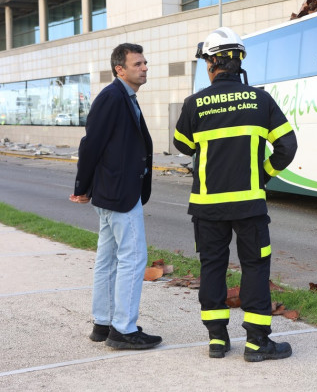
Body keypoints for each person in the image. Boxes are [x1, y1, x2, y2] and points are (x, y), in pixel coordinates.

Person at [173, 27, 297, 362]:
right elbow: (288, 146)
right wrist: (263, 175)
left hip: (207, 207)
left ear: (213, 63)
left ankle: (217, 341)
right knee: (255, 268)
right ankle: (257, 343)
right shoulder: (261, 100)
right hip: (249, 204)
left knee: (212, 267)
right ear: (238, 60)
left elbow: (182, 145)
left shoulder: (194, 104)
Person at [69, 43, 161, 350]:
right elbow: (90, 144)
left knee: (108, 259)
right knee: (134, 258)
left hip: (113, 192)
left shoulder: (125, 97)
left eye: (145, 62)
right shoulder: (112, 97)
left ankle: (103, 323)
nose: (145, 67)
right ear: (119, 69)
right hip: (119, 193)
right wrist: (81, 187)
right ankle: (123, 329)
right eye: (138, 64)